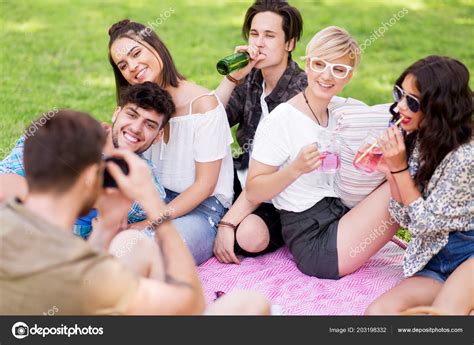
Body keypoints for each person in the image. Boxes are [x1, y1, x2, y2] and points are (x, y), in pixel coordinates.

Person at [0, 110, 270, 315]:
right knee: (251, 303)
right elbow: (191, 302)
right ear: (91, 176)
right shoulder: (87, 274)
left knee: (134, 245)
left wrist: (106, 226)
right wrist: (155, 208)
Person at [245, 26, 400, 279]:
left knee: (404, 165)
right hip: (314, 239)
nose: (327, 76)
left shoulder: (341, 111)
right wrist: (296, 169)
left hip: (341, 214)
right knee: (404, 182)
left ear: (348, 77)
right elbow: (254, 190)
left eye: (338, 69)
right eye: (319, 64)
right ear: (307, 64)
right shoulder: (281, 120)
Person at [108, 19, 234, 265]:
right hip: (153, 198)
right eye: (123, 65)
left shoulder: (203, 105)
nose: (132, 67)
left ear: (155, 46)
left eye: (136, 53)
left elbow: (204, 186)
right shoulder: (140, 106)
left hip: (201, 209)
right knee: (101, 232)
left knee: (151, 250)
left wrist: (149, 222)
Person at [365, 56, 473, 315]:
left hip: (469, 253)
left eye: (412, 101)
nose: (400, 106)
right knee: (378, 314)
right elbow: (405, 217)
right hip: (436, 260)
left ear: (439, 107)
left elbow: (426, 224)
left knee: (444, 317)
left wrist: (400, 168)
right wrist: (392, 170)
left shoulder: (466, 156)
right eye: (399, 93)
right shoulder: (422, 138)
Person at [0, 82, 174, 239]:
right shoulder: (69, 133)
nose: (136, 128)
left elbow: (144, 227)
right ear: (116, 113)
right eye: (132, 115)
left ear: (158, 136)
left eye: (149, 125)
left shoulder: (144, 182)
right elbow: (5, 176)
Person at [213, 0, 306, 264]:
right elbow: (211, 119)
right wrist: (232, 78)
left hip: (279, 192)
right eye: (254, 34)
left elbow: (277, 174)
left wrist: (229, 223)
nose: (259, 43)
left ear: (290, 43)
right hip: (243, 175)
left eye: (269, 35)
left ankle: (230, 221)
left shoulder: (301, 92)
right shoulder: (252, 78)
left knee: (250, 236)